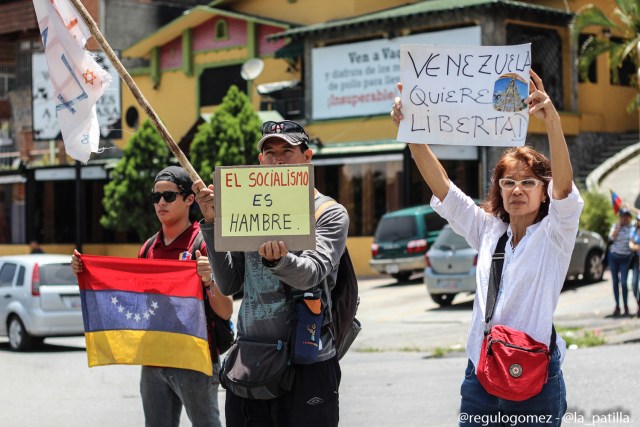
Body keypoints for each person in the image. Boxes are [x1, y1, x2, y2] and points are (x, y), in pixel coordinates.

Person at [391, 70, 581, 426]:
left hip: (534, 370)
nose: (517, 190)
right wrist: (411, 131)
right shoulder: (488, 229)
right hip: (481, 370)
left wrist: (551, 120)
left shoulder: (556, 233)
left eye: (528, 182)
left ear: (544, 192)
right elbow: (443, 187)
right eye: (508, 182)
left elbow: (566, 190)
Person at [193, 120, 349, 427]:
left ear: (307, 157)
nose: (277, 159)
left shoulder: (329, 212)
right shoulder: (244, 207)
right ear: (260, 160)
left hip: (307, 360)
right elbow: (229, 282)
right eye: (270, 151)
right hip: (252, 357)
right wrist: (211, 223)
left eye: (287, 151)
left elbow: (312, 273)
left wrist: (280, 261)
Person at [71, 166, 233, 427]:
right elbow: (132, 299)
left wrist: (209, 280)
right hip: (154, 358)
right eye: (155, 197)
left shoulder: (204, 243)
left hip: (194, 359)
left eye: (169, 196)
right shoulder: (148, 248)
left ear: (189, 199)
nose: (160, 203)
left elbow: (225, 310)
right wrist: (85, 270)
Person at [607, 208, 633, 317]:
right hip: (614, 257)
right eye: (623, 216)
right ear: (620, 217)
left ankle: (626, 305)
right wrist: (618, 227)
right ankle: (617, 305)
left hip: (625, 258)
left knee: (623, 282)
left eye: (627, 216)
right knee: (615, 282)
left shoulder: (632, 228)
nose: (625, 218)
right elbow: (610, 238)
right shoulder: (615, 226)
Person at [629, 213, 640, 317]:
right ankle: (638, 303)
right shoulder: (633, 230)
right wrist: (637, 247)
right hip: (636, 260)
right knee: (634, 284)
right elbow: (631, 245)